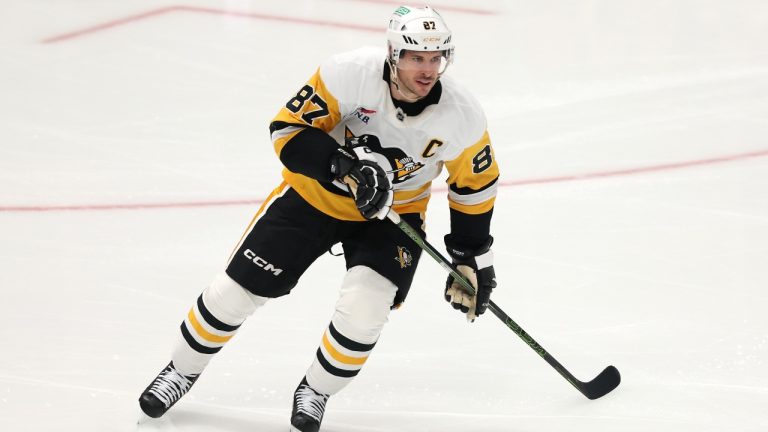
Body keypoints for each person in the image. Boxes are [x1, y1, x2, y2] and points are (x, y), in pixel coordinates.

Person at [138, 5, 499, 432]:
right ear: (393, 54)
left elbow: (475, 186)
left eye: (436, 58)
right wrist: (343, 168)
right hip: (313, 197)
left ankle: (317, 390)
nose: (427, 70)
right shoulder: (348, 74)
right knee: (232, 295)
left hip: (393, 215)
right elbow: (287, 130)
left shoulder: (463, 115)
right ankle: (181, 370)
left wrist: (471, 258)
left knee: (365, 311)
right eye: (416, 57)